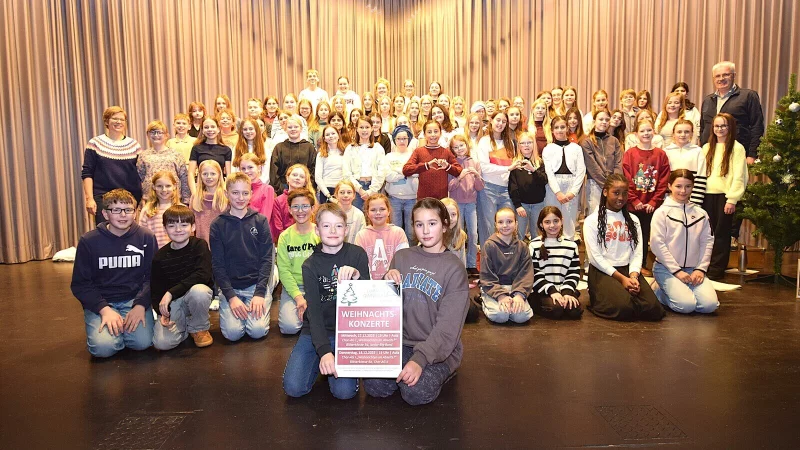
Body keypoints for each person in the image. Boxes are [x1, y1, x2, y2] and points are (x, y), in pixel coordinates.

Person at [365, 198, 470, 406]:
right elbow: (387, 310)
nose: (426, 230)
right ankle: (405, 368)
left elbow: (447, 327)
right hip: (402, 344)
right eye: (419, 224)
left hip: (438, 347)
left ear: (445, 225)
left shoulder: (454, 268)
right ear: (413, 227)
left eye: (432, 223)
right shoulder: (402, 257)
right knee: (374, 385)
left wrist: (420, 360)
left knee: (415, 393)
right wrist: (386, 282)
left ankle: (446, 369)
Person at [282, 202, 369, 399]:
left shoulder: (357, 255)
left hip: (347, 332)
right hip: (316, 329)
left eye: (338, 226)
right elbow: (314, 312)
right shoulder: (310, 265)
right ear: (317, 229)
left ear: (346, 230)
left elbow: (368, 301)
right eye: (326, 226)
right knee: (293, 389)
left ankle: (335, 367)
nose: (333, 231)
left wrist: (357, 276)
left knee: (344, 393)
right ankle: (321, 364)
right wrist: (324, 351)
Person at [71, 189, 157, 357]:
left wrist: (140, 305)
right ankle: (112, 330)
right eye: (116, 210)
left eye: (128, 209)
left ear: (135, 212)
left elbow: (153, 277)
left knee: (142, 343)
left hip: (134, 300)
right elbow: (81, 284)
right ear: (105, 213)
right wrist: (104, 309)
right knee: (103, 349)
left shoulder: (146, 237)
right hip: (103, 302)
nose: (123, 215)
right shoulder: (89, 241)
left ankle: (121, 330)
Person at [583, 174, 665, 321]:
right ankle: (598, 297)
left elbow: (637, 253)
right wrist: (622, 279)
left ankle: (624, 294)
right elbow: (595, 258)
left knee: (654, 310)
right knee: (624, 309)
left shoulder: (633, 220)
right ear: (605, 192)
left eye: (625, 193)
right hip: (604, 272)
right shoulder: (592, 221)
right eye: (616, 193)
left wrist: (633, 276)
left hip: (628, 270)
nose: (621, 197)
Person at [209, 173, 274, 341]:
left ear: (251, 194)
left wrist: (260, 293)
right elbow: (218, 265)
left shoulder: (260, 221)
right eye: (235, 193)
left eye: (245, 193)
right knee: (233, 334)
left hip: (255, 286)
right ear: (226, 194)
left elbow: (267, 259)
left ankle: (261, 301)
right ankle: (239, 308)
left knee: (257, 331)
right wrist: (231, 297)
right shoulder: (217, 225)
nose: (240, 197)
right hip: (231, 287)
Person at [651, 170, 719, 314]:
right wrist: (677, 271)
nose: (683, 191)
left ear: (693, 187)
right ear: (670, 186)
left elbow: (707, 242)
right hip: (667, 269)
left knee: (710, 306)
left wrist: (700, 269)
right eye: (678, 186)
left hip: (693, 270)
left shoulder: (701, 214)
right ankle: (659, 291)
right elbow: (657, 244)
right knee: (686, 306)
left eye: (688, 186)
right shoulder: (661, 213)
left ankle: (681, 290)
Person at [151, 205, 215, 350]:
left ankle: (199, 328)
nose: (178, 230)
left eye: (184, 225)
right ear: (165, 228)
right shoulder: (160, 257)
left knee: (199, 291)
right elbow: (156, 290)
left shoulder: (200, 245)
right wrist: (162, 312)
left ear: (193, 227)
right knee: (162, 344)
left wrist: (170, 292)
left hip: (194, 296)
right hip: (175, 304)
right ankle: (185, 326)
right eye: (172, 225)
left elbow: (203, 275)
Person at [701, 113, 748, 280]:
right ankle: (704, 266)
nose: (719, 129)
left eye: (723, 126)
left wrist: (732, 199)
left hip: (724, 197)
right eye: (716, 126)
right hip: (706, 196)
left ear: (730, 128)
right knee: (706, 233)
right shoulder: (707, 148)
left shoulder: (737, 148)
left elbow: (739, 177)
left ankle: (716, 269)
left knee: (721, 234)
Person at [623, 118, 671, 276]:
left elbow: (664, 180)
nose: (646, 133)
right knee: (631, 234)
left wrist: (654, 201)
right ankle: (628, 264)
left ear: (654, 132)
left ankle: (642, 264)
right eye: (642, 131)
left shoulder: (661, 154)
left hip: (651, 205)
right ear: (636, 134)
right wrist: (634, 200)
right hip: (633, 204)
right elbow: (627, 178)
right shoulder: (630, 154)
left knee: (645, 235)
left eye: (649, 130)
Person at [82, 106, 143, 225]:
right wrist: (89, 199)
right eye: (114, 118)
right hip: (103, 198)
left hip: (129, 199)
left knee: (128, 235)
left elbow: (141, 174)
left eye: (122, 119)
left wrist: (142, 198)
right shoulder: (95, 143)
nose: (118, 122)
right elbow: (87, 173)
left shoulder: (134, 145)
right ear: (106, 122)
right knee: (105, 234)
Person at [700, 61, 765, 164]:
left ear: (734, 75)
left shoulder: (748, 96)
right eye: (717, 76)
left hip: (737, 154)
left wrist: (752, 155)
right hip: (711, 155)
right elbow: (703, 128)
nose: (721, 79)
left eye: (726, 74)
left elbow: (757, 126)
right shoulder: (708, 100)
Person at [480, 208, 535, 324]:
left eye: (509, 221)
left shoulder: (523, 246)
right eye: (500, 222)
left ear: (516, 223)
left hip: (515, 288)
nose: (505, 225)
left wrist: (519, 295)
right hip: (494, 288)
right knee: (500, 316)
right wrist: (501, 296)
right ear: (495, 224)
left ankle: (512, 304)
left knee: (522, 317)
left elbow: (526, 274)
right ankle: (484, 298)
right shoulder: (489, 245)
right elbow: (487, 276)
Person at [276, 189, 320, 335]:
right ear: (289, 209)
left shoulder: (320, 233)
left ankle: (309, 315)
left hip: (317, 286)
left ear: (313, 208)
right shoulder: (285, 237)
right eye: (295, 206)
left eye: (305, 206)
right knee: (289, 328)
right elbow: (284, 270)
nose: (300, 211)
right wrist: (298, 297)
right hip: (294, 287)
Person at [528, 206, 582, 319]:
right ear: (541, 225)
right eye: (547, 222)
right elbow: (534, 274)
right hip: (543, 291)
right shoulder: (534, 245)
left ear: (561, 221)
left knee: (575, 311)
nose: (552, 225)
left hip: (563, 289)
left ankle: (566, 298)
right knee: (557, 310)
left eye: (556, 221)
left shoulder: (571, 245)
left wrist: (566, 292)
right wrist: (552, 291)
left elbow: (573, 273)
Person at [542, 115, 585, 241]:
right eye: (556, 127)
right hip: (553, 186)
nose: (560, 130)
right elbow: (548, 172)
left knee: (569, 219)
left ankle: (569, 249)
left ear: (567, 128)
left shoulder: (576, 148)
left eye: (562, 127)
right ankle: (551, 246)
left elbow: (581, 171)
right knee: (551, 217)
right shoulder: (548, 149)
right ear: (552, 130)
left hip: (571, 185)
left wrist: (573, 192)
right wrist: (558, 192)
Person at [475, 111, 516, 244]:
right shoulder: (484, 141)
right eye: (498, 120)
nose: (500, 124)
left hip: (506, 189)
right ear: (491, 120)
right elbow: (485, 167)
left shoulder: (509, 142)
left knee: (508, 227)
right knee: (488, 228)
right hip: (488, 189)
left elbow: (514, 166)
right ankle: (488, 261)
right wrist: (507, 168)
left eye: (504, 122)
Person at [448, 135, 483, 274]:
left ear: (467, 145)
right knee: (458, 234)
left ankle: (471, 264)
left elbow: (480, 187)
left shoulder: (474, 162)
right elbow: (449, 187)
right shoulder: (452, 164)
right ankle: (459, 263)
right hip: (456, 205)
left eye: (461, 145)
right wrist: (459, 176)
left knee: (473, 234)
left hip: (471, 204)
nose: (459, 149)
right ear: (452, 149)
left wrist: (476, 176)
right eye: (455, 147)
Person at [403, 120, 462, 200]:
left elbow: (459, 170)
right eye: (429, 132)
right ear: (424, 134)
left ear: (440, 133)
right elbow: (406, 170)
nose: (433, 135)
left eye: (436, 131)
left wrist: (447, 167)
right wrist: (426, 165)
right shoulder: (419, 151)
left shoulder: (446, 151)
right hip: (424, 198)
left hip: (442, 199)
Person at [355, 193, 409, 280]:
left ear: (388, 211)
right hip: (370, 286)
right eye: (373, 210)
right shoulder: (361, 235)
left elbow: (403, 262)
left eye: (382, 209)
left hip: (393, 283)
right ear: (367, 213)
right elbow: (360, 263)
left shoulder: (398, 232)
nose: (378, 213)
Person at [137, 120, 190, 204]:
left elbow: (184, 178)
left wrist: (186, 200)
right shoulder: (143, 155)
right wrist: (142, 198)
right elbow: (141, 178)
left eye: (159, 132)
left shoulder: (176, 155)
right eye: (152, 132)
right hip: (150, 200)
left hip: (173, 199)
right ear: (147, 135)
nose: (156, 135)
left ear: (166, 135)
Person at [582, 109, 623, 217]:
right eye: (601, 119)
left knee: (612, 216)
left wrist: (615, 183)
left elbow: (618, 162)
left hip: (613, 184)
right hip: (595, 183)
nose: (604, 122)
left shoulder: (614, 141)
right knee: (595, 216)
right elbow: (592, 167)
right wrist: (607, 185)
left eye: (607, 120)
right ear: (594, 121)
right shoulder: (587, 142)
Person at [509, 131, 548, 242]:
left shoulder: (539, 162)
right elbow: (513, 187)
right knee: (519, 235)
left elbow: (544, 181)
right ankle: (519, 258)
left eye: (529, 142)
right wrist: (518, 205)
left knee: (537, 235)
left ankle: (535, 258)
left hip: (538, 204)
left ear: (534, 144)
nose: (526, 145)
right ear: (519, 146)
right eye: (523, 143)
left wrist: (533, 170)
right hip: (522, 205)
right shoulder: (515, 164)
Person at [384, 125, 419, 242]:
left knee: (411, 232)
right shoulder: (389, 157)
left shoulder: (415, 155)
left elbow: (417, 173)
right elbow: (388, 176)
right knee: (395, 232)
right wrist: (406, 172)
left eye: (404, 138)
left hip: (412, 199)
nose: (402, 141)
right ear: (394, 140)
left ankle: (411, 258)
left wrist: (398, 171)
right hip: (394, 199)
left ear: (409, 139)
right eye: (399, 138)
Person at [342, 116, 386, 210]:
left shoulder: (378, 148)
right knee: (356, 218)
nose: (364, 130)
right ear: (357, 129)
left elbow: (381, 172)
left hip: (374, 187)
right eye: (361, 127)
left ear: (371, 129)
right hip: (356, 189)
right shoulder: (350, 148)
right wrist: (360, 190)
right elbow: (346, 173)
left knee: (374, 218)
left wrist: (372, 191)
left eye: (367, 127)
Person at [663, 119, 706, 205]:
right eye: (679, 132)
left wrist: (695, 203)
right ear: (673, 134)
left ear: (691, 134)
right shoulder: (666, 151)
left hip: (691, 200)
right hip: (670, 200)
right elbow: (664, 179)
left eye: (686, 132)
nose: (683, 135)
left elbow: (701, 177)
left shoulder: (698, 151)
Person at [269, 117, 316, 193]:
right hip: (283, 188)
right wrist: (281, 189)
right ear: (285, 129)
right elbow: (274, 171)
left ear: (301, 128)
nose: (293, 129)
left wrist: (308, 188)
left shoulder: (309, 147)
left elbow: (313, 169)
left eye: (296, 127)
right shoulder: (279, 147)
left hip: (305, 188)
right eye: (290, 127)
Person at [271, 164, 315, 244]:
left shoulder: (311, 200)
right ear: (287, 178)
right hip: (286, 242)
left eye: (301, 176)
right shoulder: (278, 201)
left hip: (307, 242)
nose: (297, 178)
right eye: (294, 175)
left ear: (305, 182)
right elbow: (277, 228)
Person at [188, 117, 232, 195]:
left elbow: (228, 174)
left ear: (218, 129)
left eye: (212, 127)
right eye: (206, 127)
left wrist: (225, 191)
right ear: (203, 131)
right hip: (201, 190)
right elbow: (191, 173)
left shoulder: (226, 150)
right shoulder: (196, 148)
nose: (210, 130)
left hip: (220, 191)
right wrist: (195, 194)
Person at [138, 171, 181, 248]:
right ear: (154, 187)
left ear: (174, 186)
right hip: (155, 253)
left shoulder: (182, 209)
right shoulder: (147, 210)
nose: (164, 190)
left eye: (168, 186)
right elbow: (142, 235)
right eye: (159, 186)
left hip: (177, 253)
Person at [190, 160, 227, 245]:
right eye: (205, 174)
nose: (209, 177)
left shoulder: (227, 196)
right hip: (202, 246)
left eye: (213, 174)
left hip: (224, 245)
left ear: (219, 175)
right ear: (200, 176)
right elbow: (191, 225)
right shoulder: (195, 198)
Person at [239, 153, 275, 224]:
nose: (246, 171)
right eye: (243, 168)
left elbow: (265, 218)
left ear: (259, 168)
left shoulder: (267, 189)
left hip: (258, 231)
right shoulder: (239, 190)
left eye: (250, 167)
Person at [315, 125, 346, 204]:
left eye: (333, 133)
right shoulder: (321, 154)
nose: (331, 136)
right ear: (324, 139)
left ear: (338, 135)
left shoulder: (346, 152)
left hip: (342, 189)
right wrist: (328, 196)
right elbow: (318, 178)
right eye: (327, 135)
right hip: (326, 190)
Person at [441, 198, 468, 266]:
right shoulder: (431, 235)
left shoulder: (460, 235)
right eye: (446, 215)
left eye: (453, 214)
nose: (450, 218)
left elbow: (462, 262)